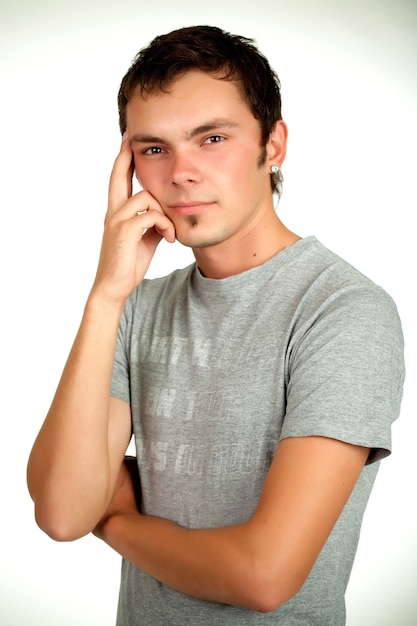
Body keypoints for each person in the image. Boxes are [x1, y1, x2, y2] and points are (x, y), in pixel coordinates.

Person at [27, 25, 405, 625]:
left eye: (212, 138)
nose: (182, 172)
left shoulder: (342, 311)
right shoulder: (134, 307)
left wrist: (118, 520)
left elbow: (263, 575)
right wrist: (105, 295)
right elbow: (63, 513)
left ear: (273, 144)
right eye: (153, 148)